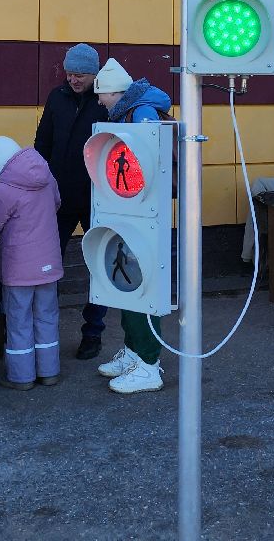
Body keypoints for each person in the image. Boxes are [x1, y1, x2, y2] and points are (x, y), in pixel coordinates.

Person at [90, 57, 172, 395]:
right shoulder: (134, 110)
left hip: (143, 213)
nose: (99, 101)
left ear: (116, 92)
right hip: (130, 210)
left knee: (142, 286)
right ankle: (135, 351)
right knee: (124, 282)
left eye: (102, 95)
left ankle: (149, 364)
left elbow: (146, 167)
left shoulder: (141, 114)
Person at [33, 44, 110, 361]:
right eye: (69, 73)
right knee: (48, 266)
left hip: (97, 198)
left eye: (80, 74)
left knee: (99, 267)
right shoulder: (56, 97)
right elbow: (42, 144)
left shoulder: (106, 101)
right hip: (59, 198)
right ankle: (43, 333)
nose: (73, 79)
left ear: (94, 74)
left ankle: (93, 332)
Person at [0, 136, 64, 391]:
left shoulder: (2, 191)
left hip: (19, 269)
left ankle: (21, 376)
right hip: (49, 262)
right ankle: (49, 372)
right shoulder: (47, 177)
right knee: (47, 316)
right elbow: (57, 203)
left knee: (19, 320)